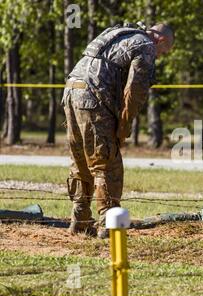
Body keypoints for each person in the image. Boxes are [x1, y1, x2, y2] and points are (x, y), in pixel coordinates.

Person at [62, 21, 174, 238]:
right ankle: (109, 223)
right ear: (160, 40)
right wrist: (124, 126)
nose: (159, 56)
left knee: (81, 161)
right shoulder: (146, 45)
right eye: (163, 52)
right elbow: (135, 90)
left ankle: (81, 220)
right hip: (93, 98)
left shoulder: (117, 31)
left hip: (70, 91)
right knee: (107, 162)